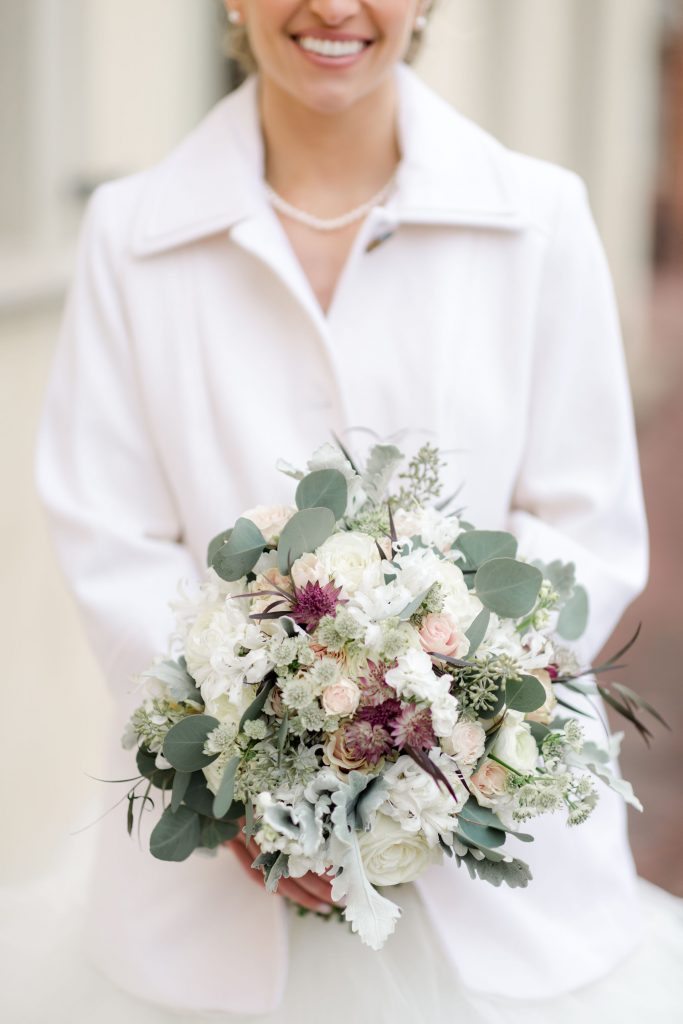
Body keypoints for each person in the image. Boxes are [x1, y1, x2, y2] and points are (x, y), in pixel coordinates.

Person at [25, 1, 682, 1021]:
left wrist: (448, 737)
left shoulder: (539, 216)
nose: (334, 7)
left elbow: (582, 523)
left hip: (504, 885)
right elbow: (111, 535)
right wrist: (243, 773)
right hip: (201, 901)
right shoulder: (130, 232)